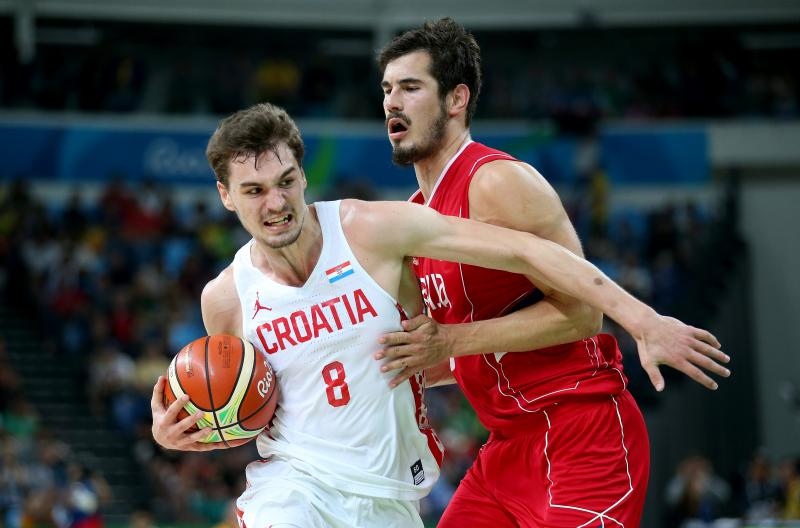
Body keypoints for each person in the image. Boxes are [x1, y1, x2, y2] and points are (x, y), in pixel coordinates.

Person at [150, 102, 723, 528]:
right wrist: (184, 431)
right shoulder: (225, 298)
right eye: (254, 191)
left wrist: (643, 320)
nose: (275, 203)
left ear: (303, 174)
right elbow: (242, 407)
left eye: (285, 182)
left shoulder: (374, 230)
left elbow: (527, 251)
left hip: (391, 496)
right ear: (226, 196)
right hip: (293, 490)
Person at [375, 18, 731, 527]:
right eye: (387, 89)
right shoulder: (415, 215)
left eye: (411, 87)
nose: (392, 102)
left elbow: (582, 315)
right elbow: (465, 348)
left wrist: (643, 321)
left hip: (583, 433)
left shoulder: (494, 181)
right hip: (507, 448)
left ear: (456, 99)